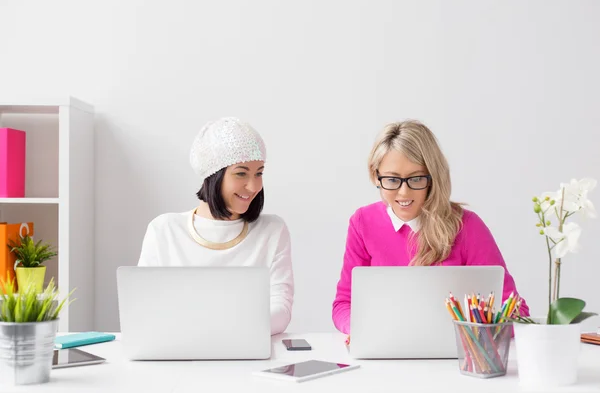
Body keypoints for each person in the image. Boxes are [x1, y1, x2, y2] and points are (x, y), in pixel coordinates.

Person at [332, 120, 529, 335]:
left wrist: (476, 336)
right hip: (386, 355)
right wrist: (361, 331)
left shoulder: (467, 226)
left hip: (453, 361)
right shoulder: (363, 222)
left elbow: (516, 312)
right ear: (376, 176)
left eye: (416, 179)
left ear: (433, 178)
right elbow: (344, 304)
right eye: (392, 180)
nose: (404, 193)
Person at [138, 117, 294, 335]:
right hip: (179, 353)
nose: (253, 186)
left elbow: (281, 307)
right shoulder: (164, 230)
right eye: (241, 173)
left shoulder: (272, 230)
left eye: (259, 173)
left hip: (249, 353)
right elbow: (145, 308)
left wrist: (225, 332)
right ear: (213, 175)